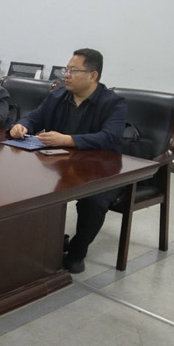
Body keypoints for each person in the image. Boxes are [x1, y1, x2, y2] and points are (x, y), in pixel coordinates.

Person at [9, 48, 126, 274]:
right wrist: (22, 125)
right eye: (66, 69)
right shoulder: (58, 96)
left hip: (101, 169)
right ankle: (46, 240)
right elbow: (35, 116)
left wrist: (68, 140)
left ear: (93, 75)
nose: (67, 75)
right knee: (26, 182)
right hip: (61, 163)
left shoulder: (113, 103)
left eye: (73, 70)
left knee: (93, 201)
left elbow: (110, 136)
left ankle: (77, 252)